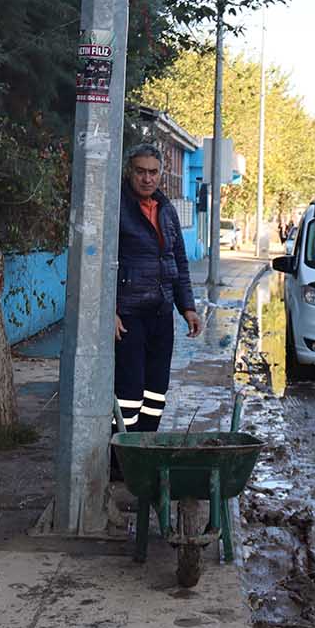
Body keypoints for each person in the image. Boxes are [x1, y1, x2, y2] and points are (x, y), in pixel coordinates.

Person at [114, 143, 202, 441]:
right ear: (130, 172)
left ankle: (146, 445)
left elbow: (178, 261)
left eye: (153, 172)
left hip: (161, 312)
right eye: (140, 171)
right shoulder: (117, 207)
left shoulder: (166, 209)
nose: (147, 178)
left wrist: (187, 307)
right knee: (129, 391)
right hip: (128, 315)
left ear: (161, 175)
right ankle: (119, 457)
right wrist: (108, 312)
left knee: (155, 390)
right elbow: (101, 262)